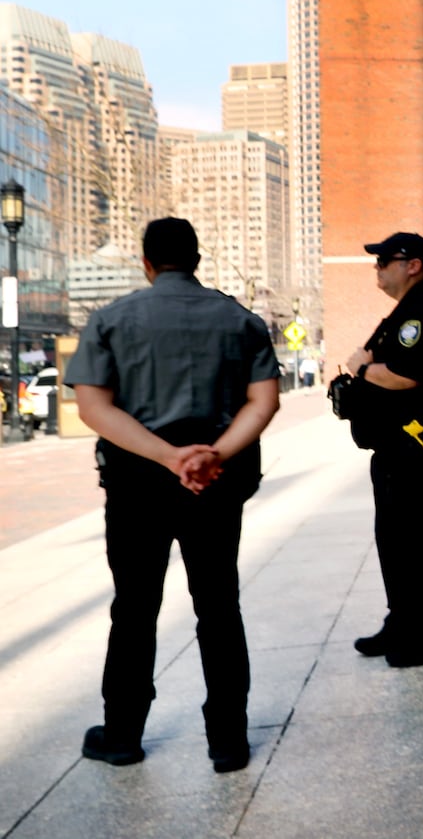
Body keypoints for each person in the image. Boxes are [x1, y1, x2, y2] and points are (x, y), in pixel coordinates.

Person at [67, 218, 281, 773]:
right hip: (216, 484)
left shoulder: (110, 321)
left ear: (146, 262)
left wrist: (167, 457)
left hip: (137, 489)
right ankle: (228, 740)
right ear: (197, 259)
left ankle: (122, 735)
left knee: (134, 609)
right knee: (218, 607)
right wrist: (211, 454)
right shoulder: (242, 321)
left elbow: (93, 408)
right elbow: (264, 404)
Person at [345, 231, 423, 667]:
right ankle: (402, 620)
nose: (377, 269)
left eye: (384, 261)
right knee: (396, 539)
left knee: (420, 539)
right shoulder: (407, 312)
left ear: (413, 264)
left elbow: (405, 373)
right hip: (399, 444)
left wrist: (363, 368)